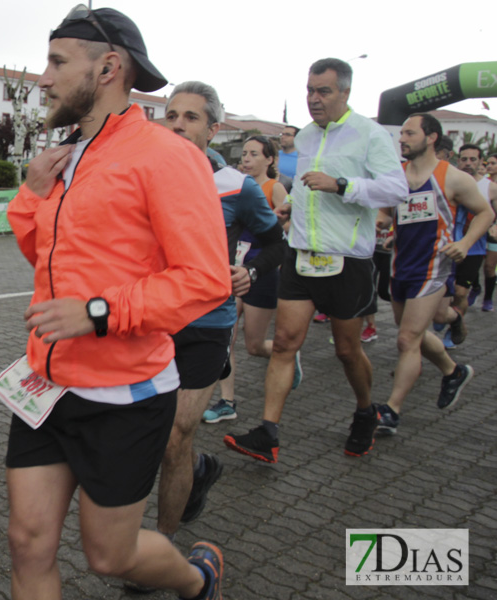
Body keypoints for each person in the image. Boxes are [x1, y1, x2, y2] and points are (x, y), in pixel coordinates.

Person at [5, 8, 229, 599]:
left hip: (124, 395)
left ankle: (197, 578)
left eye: (57, 62)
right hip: (44, 383)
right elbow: (43, 257)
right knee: (27, 543)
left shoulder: (167, 155)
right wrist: (31, 193)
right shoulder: (66, 153)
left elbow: (205, 280)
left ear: (108, 67)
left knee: (110, 556)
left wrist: (98, 311)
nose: (44, 78)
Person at [224, 58, 408, 463]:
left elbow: (396, 190)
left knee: (346, 351)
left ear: (345, 92)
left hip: (348, 261)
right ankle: (267, 433)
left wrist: (342, 185)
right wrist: (290, 207)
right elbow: (309, 189)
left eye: (323, 91)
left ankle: (365, 411)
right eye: (309, 90)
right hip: (301, 257)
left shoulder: (369, 135)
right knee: (285, 343)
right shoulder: (304, 137)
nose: (314, 98)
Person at [155, 84, 285, 544]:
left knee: (175, 436)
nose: (176, 125)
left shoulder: (236, 186)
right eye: (171, 115)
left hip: (208, 324)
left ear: (213, 129)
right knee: (155, 435)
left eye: (190, 117)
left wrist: (249, 271)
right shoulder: (143, 176)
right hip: (152, 323)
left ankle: (163, 546)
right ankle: (202, 468)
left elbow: (275, 243)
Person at [372, 113, 491, 434]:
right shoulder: (396, 176)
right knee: (412, 332)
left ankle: (391, 411)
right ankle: (453, 371)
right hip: (400, 266)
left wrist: (465, 242)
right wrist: (381, 222)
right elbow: (385, 210)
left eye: (410, 133)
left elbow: (486, 213)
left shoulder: (452, 178)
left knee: (407, 338)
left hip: (434, 268)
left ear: (431, 137)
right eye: (402, 135)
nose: (402, 139)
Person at [208, 135, 290, 424]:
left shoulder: (274, 188)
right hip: (234, 268)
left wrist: (279, 218)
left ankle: (287, 355)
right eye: (244, 153)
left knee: (254, 345)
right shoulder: (229, 183)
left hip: (261, 268)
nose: (246, 159)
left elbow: (285, 226)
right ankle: (227, 401)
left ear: (269, 159)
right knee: (228, 338)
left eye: (254, 154)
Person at [451, 143, 497, 316]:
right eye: (464, 159)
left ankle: (456, 324)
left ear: (480, 162)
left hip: (474, 247)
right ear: (458, 161)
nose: (468, 163)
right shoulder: (449, 181)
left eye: (473, 159)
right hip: (447, 244)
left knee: (460, 292)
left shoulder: (490, 187)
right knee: (446, 292)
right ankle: (448, 316)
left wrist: (494, 226)